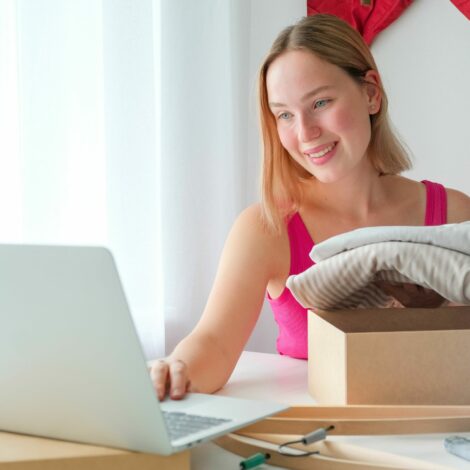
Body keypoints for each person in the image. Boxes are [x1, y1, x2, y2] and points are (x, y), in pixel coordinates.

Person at [151, 14, 470, 401]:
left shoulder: (454, 215)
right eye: (284, 114)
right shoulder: (266, 228)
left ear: (371, 93)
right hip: (315, 445)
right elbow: (214, 342)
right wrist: (174, 371)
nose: (305, 132)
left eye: (320, 102)